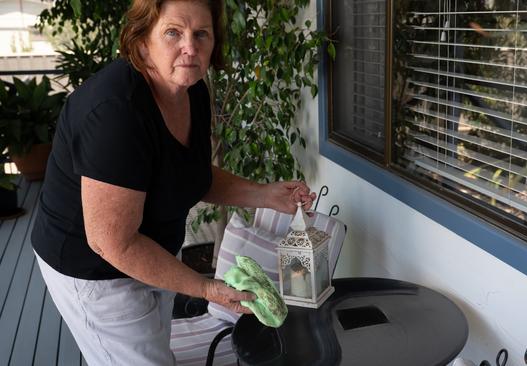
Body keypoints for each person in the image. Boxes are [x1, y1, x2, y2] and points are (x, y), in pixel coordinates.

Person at [31, 0, 315, 364]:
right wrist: (205, 287)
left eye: (202, 34)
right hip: (96, 269)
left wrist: (264, 195)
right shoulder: (115, 113)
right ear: (141, 40)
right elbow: (113, 243)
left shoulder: (191, 89)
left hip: (154, 253)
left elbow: (188, 172)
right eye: (173, 32)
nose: (190, 47)